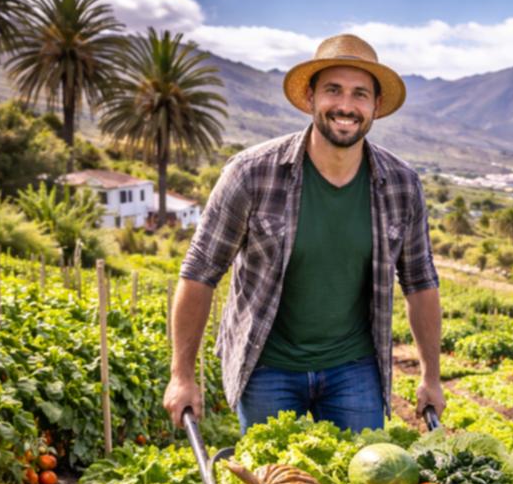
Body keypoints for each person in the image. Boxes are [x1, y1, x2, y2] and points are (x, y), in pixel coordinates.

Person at [162, 34, 444, 434]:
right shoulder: (251, 174)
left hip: (355, 368)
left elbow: (420, 282)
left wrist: (431, 377)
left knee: (362, 472)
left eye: (360, 94)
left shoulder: (401, 184)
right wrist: (182, 375)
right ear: (311, 97)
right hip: (267, 366)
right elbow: (200, 272)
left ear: (376, 106)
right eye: (333, 90)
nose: (346, 106)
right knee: (275, 474)